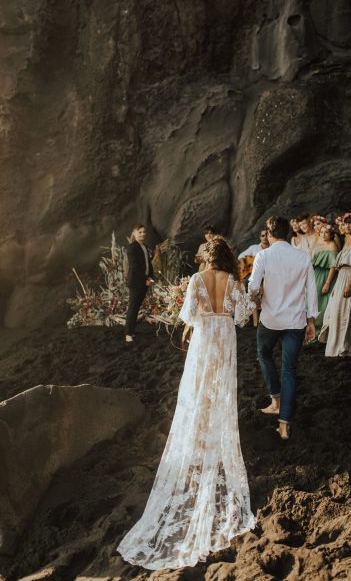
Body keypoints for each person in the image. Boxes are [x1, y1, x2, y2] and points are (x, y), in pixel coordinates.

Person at [117, 237, 256, 570]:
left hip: (206, 336)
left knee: (199, 389)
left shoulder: (197, 280)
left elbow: (189, 315)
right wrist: (249, 300)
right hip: (225, 337)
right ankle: (214, 436)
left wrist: (203, 314)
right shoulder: (233, 281)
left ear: (205, 257)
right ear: (226, 257)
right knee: (221, 389)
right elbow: (241, 316)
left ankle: (200, 435)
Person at [249, 216, 318, 440]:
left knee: (263, 353)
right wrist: (312, 320)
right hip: (296, 320)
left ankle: (275, 399)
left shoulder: (263, 255)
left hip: (270, 320)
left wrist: (256, 296)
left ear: (269, 235)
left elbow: (252, 286)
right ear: (288, 233)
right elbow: (312, 290)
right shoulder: (302, 256)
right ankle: (284, 424)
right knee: (289, 369)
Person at [319, 213, 351, 356]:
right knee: (335, 311)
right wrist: (337, 286)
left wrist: (349, 285)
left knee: (346, 312)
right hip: (341, 278)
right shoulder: (346, 241)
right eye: (345, 224)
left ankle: (346, 346)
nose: (347, 226)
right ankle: (336, 344)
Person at [125, 224, 154, 342]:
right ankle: (127, 334)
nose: (142, 234)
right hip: (136, 282)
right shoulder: (132, 248)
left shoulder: (145, 246)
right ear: (134, 233)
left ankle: (131, 331)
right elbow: (135, 267)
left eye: (144, 232)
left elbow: (148, 264)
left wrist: (150, 277)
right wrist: (145, 280)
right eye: (140, 232)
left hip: (144, 281)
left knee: (136, 308)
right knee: (132, 308)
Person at [312, 224, 338, 336]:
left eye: (326, 232)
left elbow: (333, 266)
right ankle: (312, 330)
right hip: (316, 275)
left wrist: (327, 283)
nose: (323, 234)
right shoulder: (321, 244)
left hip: (324, 277)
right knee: (313, 302)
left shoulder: (332, 246)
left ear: (332, 234)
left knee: (321, 303)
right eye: (321, 232)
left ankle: (320, 332)